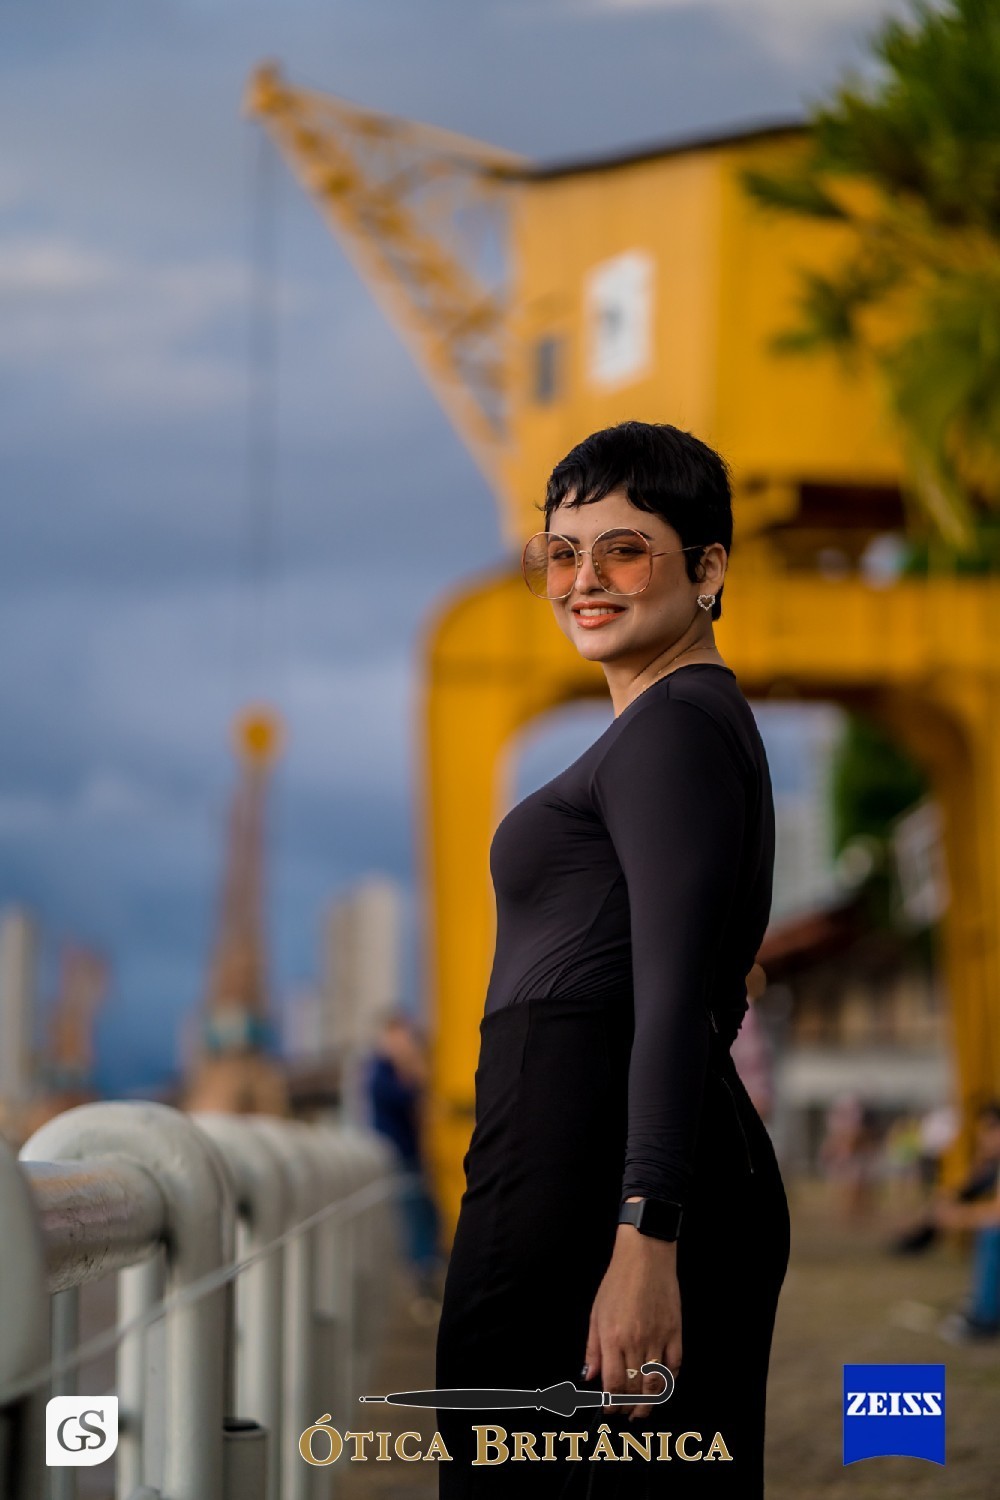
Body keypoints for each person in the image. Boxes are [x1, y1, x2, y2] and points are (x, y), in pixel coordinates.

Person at [434, 421, 790, 1496]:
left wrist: (644, 1236)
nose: (584, 579)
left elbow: (675, 990)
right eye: (561, 552)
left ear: (709, 566)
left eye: (625, 549)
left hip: (590, 1179)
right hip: (593, 1163)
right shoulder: (670, 725)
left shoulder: (676, 724)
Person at [364, 1009, 445, 1320]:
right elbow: (404, 1096)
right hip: (398, 1156)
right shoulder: (381, 1071)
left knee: (424, 1216)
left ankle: (427, 1279)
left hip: (411, 1155)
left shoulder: (390, 1069)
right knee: (414, 1219)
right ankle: (422, 1284)